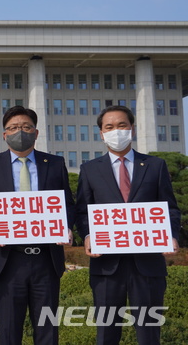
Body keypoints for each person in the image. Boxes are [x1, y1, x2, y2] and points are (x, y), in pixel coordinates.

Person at [75, 105, 180, 345]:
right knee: (107, 334)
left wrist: (171, 234)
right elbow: (82, 210)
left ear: (131, 129)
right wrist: (88, 234)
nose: (116, 131)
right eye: (109, 127)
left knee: (149, 333)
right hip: (106, 266)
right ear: (101, 134)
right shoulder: (89, 170)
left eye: (122, 125)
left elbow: (170, 207)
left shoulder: (155, 166)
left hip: (148, 264)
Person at [0, 106, 75, 345]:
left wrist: (66, 226)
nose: (20, 132)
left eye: (26, 127)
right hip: (8, 259)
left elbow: (67, 203)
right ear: (4, 134)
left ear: (36, 132)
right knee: (9, 331)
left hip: (46, 258)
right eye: (13, 128)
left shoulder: (55, 163)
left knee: (47, 331)